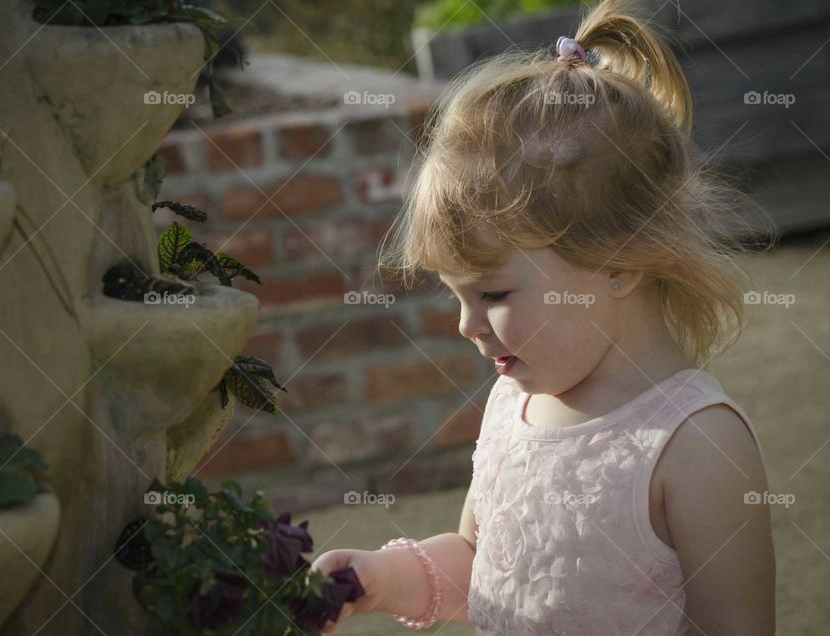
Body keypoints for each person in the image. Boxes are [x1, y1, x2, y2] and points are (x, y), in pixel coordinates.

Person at [310, 0, 778, 633]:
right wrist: (381, 578)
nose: (465, 324)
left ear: (619, 262)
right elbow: (482, 563)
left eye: (494, 295)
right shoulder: (514, 403)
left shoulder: (696, 445)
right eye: (457, 295)